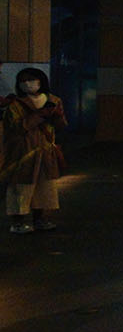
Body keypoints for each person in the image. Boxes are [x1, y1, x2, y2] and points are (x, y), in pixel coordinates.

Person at [3, 67, 66, 234]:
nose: (27, 83)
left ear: (40, 81)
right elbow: (16, 128)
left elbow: (60, 125)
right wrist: (39, 115)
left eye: (31, 79)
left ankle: (41, 219)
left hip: (45, 151)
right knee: (21, 188)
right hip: (23, 153)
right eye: (23, 81)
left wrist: (56, 116)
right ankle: (18, 221)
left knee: (44, 188)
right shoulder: (16, 104)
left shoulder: (53, 100)